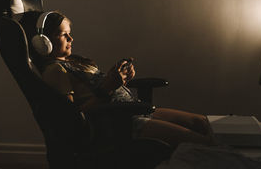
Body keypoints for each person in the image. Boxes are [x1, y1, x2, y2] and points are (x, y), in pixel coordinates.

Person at [33, 11, 215, 148]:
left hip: (129, 110)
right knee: (201, 142)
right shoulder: (55, 71)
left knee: (204, 123)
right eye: (63, 35)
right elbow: (72, 119)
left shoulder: (74, 62)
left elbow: (95, 91)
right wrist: (108, 88)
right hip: (116, 124)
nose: (71, 38)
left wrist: (120, 81)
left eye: (69, 33)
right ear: (44, 42)